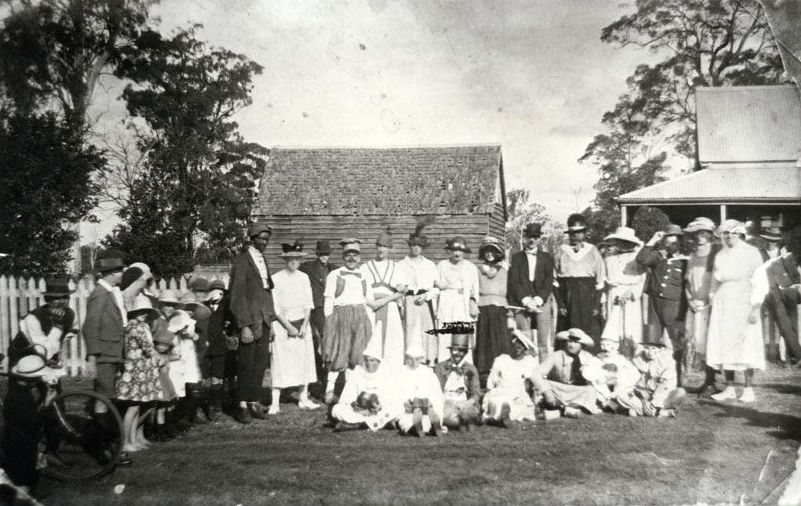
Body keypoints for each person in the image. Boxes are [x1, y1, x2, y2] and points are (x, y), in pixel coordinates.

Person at [706, 220, 766, 403]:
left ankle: (748, 389)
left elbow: (760, 281)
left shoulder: (751, 252)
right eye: (726, 233)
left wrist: (756, 306)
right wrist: (711, 301)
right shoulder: (721, 254)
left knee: (747, 343)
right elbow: (715, 281)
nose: (729, 236)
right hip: (723, 303)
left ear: (740, 234)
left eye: (733, 233)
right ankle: (730, 387)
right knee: (725, 344)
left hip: (744, 301)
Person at [82, 252, 132, 466]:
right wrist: (92, 357)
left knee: (107, 399)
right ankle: (102, 448)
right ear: (112, 272)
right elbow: (90, 326)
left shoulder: (109, 292)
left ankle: (105, 445)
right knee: (104, 400)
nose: (122, 274)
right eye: (120, 270)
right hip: (104, 355)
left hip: (112, 354)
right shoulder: (100, 294)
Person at [229, 222, 276, 423]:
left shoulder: (262, 260)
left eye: (267, 239)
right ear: (252, 239)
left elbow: (266, 293)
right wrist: (244, 325)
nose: (264, 242)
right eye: (261, 239)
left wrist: (270, 322)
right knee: (246, 365)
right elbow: (237, 296)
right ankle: (241, 406)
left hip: (263, 321)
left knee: (259, 365)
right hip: (249, 322)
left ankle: (253, 402)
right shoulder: (242, 262)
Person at [1, 354, 65, 493]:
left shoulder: (18, 392)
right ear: (33, 379)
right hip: (20, 450)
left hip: (18, 445)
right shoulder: (21, 399)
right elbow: (33, 424)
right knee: (23, 487)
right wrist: (46, 405)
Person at [268, 241, 320, 414]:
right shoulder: (276, 278)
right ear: (285, 259)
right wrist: (288, 326)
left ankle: (303, 398)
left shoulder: (304, 277)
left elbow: (308, 303)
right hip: (283, 325)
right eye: (290, 258)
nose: (294, 261)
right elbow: (275, 307)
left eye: (297, 258)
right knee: (280, 361)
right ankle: (274, 402)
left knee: (304, 361)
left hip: (302, 324)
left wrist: (305, 324)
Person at [322, 238, 375, 404]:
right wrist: (329, 322)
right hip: (340, 317)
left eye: (355, 255)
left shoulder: (364, 275)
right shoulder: (334, 274)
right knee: (339, 353)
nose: (352, 259)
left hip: (360, 317)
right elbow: (329, 300)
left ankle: (350, 393)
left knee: (356, 356)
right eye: (348, 255)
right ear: (343, 257)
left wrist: (368, 322)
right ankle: (329, 392)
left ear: (360, 257)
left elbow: (368, 300)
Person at [636, 224, 688, 385]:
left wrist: (683, 310)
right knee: (653, 340)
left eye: (673, 240)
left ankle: (678, 378)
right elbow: (642, 259)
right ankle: (653, 376)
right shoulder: (658, 256)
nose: (669, 243)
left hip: (673, 304)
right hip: (654, 302)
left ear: (679, 241)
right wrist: (653, 240)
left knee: (675, 341)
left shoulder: (686, 260)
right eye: (666, 239)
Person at [114, 295, 162, 452]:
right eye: (141, 311)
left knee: (138, 407)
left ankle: (133, 439)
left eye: (146, 311)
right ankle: (125, 441)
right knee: (133, 406)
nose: (144, 314)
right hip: (135, 370)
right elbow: (147, 348)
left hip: (143, 369)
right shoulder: (134, 327)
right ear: (134, 312)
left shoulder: (143, 326)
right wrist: (160, 357)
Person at [682, 217, 721, 393]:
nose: (699, 237)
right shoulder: (692, 255)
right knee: (697, 342)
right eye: (697, 233)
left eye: (703, 233)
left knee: (711, 341)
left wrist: (709, 302)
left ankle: (712, 381)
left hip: (711, 304)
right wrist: (690, 299)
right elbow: (688, 282)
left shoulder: (716, 253)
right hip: (695, 304)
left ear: (710, 235)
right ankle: (706, 381)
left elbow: (717, 281)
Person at [555, 214, 605, 348]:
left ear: (584, 233)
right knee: (567, 331)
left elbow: (600, 281)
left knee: (588, 330)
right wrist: (560, 304)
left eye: (579, 233)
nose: (575, 236)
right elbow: (555, 281)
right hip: (567, 295)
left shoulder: (593, 250)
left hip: (587, 296)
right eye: (572, 233)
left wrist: (596, 305)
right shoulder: (561, 251)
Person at [507, 222, 555, 363]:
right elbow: (514, 282)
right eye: (529, 237)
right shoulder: (517, 258)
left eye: (535, 237)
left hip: (541, 303)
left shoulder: (547, 258)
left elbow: (548, 282)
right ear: (525, 238)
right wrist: (526, 300)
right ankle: (525, 369)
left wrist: (538, 300)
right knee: (524, 339)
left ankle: (542, 372)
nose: (532, 240)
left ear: (539, 239)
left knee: (543, 341)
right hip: (522, 303)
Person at [330, 338, 400, 432]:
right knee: (336, 409)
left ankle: (358, 425)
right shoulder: (357, 372)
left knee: (398, 408)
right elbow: (346, 399)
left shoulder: (385, 374)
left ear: (378, 361)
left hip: (379, 411)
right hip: (360, 411)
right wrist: (357, 407)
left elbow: (391, 398)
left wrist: (378, 407)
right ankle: (380, 423)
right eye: (366, 360)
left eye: (372, 360)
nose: (368, 364)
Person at [529, 328, 602, 418]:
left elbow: (596, 376)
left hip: (575, 391)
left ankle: (560, 411)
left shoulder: (587, 357)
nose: (571, 345)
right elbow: (536, 373)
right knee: (540, 385)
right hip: (558, 389)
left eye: (576, 343)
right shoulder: (556, 355)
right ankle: (566, 410)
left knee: (590, 390)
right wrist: (547, 391)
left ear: (581, 345)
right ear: (565, 342)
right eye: (569, 341)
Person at [361, 228, 408, 368]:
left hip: (390, 306)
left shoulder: (396, 267)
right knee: (370, 339)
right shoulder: (365, 266)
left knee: (391, 342)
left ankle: (390, 375)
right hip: (370, 308)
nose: (381, 249)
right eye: (379, 246)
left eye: (385, 246)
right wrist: (371, 303)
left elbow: (402, 291)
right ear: (376, 247)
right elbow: (359, 291)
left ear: (390, 249)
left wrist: (385, 300)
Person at [9, 278, 76, 369]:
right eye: (56, 298)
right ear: (48, 300)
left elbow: (73, 330)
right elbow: (44, 351)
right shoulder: (33, 318)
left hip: (48, 359)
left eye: (65, 297)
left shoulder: (69, 314)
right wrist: (57, 326)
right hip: (23, 359)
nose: (62, 301)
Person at [398, 221, 440, 365]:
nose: (416, 248)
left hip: (425, 302)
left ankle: (428, 362)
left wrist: (427, 296)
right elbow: (397, 289)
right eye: (413, 245)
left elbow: (437, 288)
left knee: (426, 333)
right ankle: (410, 363)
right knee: (409, 332)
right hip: (409, 301)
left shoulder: (430, 265)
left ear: (422, 247)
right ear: (409, 246)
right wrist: (401, 306)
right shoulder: (401, 265)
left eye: (419, 246)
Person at [617, 332, 687, 418]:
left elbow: (666, 384)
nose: (650, 352)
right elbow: (631, 382)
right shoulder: (637, 360)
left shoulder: (668, 361)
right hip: (641, 395)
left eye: (653, 348)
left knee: (680, 392)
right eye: (647, 348)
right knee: (621, 394)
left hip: (660, 395)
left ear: (661, 349)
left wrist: (652, 402)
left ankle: (649, 410)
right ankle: (660, 413)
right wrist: (641, 396)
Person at [600, 227, 646, 357]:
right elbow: (604, 281)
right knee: (612, 326)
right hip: (613, 293)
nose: (621, 244)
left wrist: (631, 293)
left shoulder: (637, 258)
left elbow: (643, 279)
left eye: (624, 241)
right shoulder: (608, 258)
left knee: (630, 327)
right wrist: (603, 301)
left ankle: (631, 356)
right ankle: (614, 357)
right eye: (618, 241)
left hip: (630, 296)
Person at [434, 236, 480, 363]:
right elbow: (436, 285)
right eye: (454, 250)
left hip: (463, 304)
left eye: (460, 250)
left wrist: (473, 302)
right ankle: (444, 367)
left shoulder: (471, 267)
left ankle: (465, 367)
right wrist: (437, 284)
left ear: (464, 252)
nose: (457, 253)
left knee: (462, 337)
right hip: (447, 302)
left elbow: (475, 289)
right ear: (450, 251)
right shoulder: (442, 265)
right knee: (445, 336)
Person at [299, 240, 338, 387]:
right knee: (314, 341)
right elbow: (295, 268)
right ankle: (316, 377)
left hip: (328, 309)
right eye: (321, 254)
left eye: (326, 254)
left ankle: (326, 377)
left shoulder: (333, 269)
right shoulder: (308, 267)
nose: (324, 257)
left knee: (326, 342)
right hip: (313, 308)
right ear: (317, 254)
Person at [474, 237, 513, 382]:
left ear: (498, 253)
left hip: (500, 310)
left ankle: (501, 374)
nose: (489, 254)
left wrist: (510, 314)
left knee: (500, 341)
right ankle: (483, 375)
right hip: (483, 308)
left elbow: (510, 293)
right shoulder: (477, 270)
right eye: (486, 251)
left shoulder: (504, 271)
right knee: (484, 341)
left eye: (493, 251)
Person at [482, 330, 539, 426]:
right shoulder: (502, 359)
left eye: (522, 345)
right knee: (499, 402)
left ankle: (500, 417)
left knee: (520, 407)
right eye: (516, 344)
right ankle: (501, 416)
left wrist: (535, 400)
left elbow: (535, 385)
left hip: (518, 398)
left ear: (526, 349)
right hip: (500, 394)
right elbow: (490, 384)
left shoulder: (530, 362)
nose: (518, 347)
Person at [765, 226, 801, 366]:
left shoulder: (786, 256)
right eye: (769, 240)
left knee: (792, 322)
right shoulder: (761, 255)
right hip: (772, 293)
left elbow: (796, 278)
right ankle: (797, 354)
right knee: (783, 321)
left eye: (774, 241)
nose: (771, 244)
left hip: (788, 291)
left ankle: (793, 356)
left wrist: (793, 285)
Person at [201, 279, 235, 420]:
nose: (217, 295)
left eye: (220, 292)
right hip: (205, 348)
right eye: (214, 291)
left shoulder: (227, 306)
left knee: (218, 377)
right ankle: (205, 406)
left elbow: (233, 317)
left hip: (220, 347)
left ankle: (217, 407)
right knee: (205, 377)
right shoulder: (203, 306)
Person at [433, 334, 481, 431]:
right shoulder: (440, 367)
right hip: (447, 402)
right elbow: (436, 391)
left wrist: (467, 403)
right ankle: (461, 421)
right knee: (447, 415)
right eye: (455, 350)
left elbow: (476, 393)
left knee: (471, 411)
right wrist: (447, 402)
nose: (458, 354)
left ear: (466, 352)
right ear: (451, 350)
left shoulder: (471, 368)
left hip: (464, 403)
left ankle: (464, 418)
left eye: (462, 351)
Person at [397, 342, 444, 437]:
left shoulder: (428, 373)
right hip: (409, 409)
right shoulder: (400, 372)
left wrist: (431, 403)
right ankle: (419, 428)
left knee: (428, 417)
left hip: (426, 407)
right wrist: (403, 402)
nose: (413, 362)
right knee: (406, 420)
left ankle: (432, 426)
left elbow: (437, 394)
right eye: (410, 358)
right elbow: (395, 392)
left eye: (417, 359)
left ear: (421, 358)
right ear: (406, 358)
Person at [591, 334, 640, 413]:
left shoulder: (620, 358)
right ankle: (607, 404)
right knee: (594, 381)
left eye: (608, 344)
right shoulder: (599, 357)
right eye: (602, 344)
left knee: (623, 378)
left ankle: (616, 405)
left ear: (615, 346)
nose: (604, 347)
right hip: (604, 385)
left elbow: (631, 374)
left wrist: (615, 389)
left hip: (617, 387)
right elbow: (593, 372)